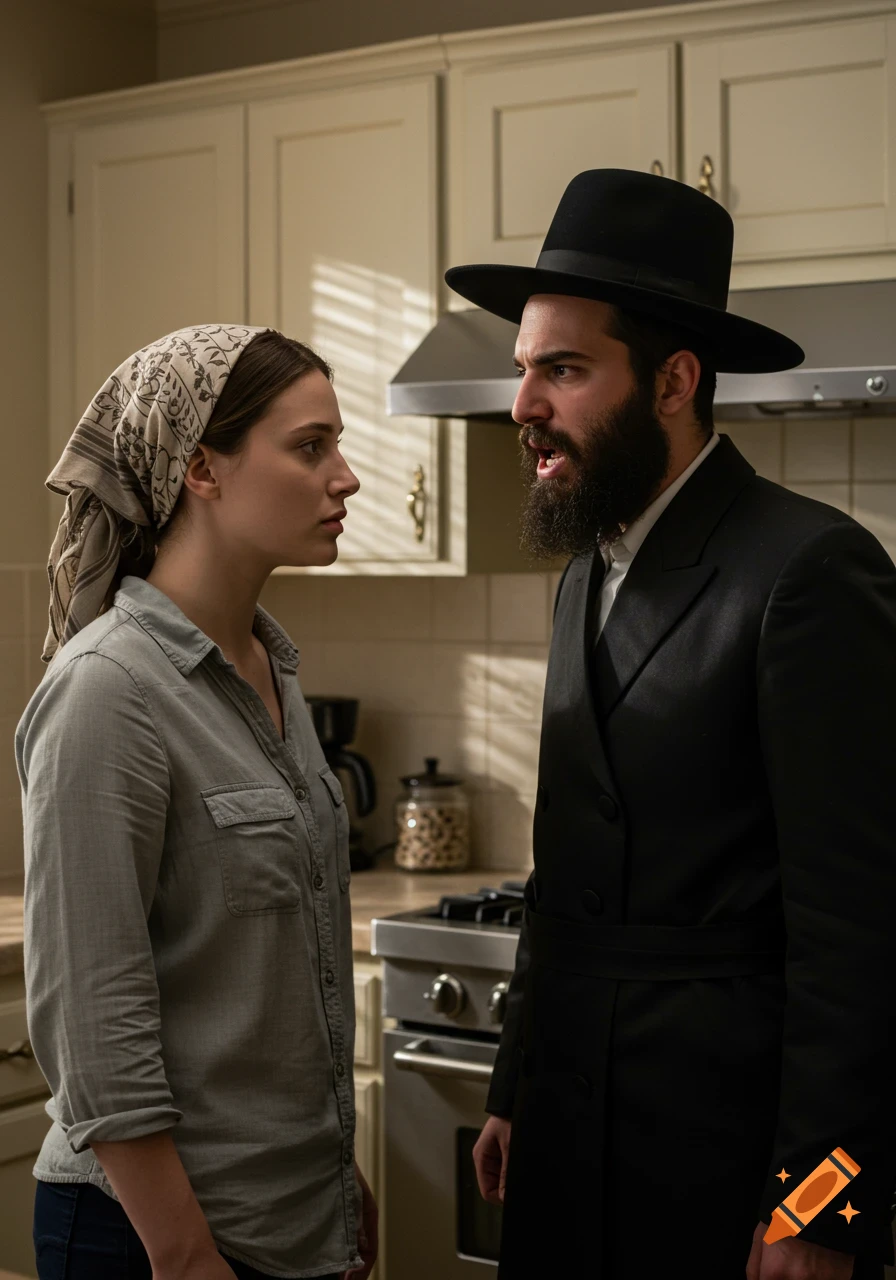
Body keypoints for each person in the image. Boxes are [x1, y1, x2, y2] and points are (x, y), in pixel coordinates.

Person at [446, 169, 896, 1280]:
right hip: (563, 1134)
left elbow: (862, 935)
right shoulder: (578, 575)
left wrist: (818, 1201)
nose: (521, 408)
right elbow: (562, 880)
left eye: (562, 368)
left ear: (672, 380)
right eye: (522, 370)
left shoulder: (805, 571)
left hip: (724, 1166)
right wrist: (512, 1086)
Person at [16, 324, 378, 1280]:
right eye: (311, 447)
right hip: (153, 1240)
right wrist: (183, 1255)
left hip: (293, 1224)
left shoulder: (268, 667)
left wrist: (340, 1185)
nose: (345, 477)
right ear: (201, 469)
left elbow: (276, 988)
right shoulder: (109, 691)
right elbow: (94, 1028)